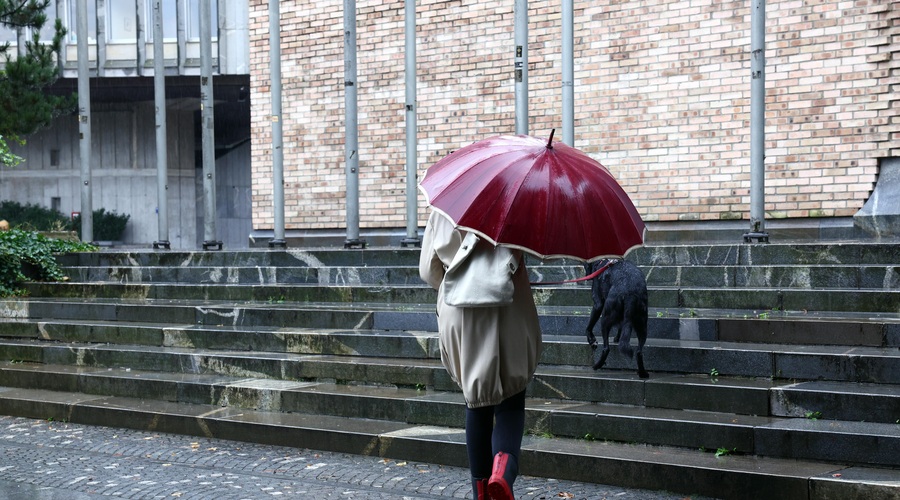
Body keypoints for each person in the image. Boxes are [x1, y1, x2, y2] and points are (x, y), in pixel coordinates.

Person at [419, 210, 543, 500]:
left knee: (476, 402)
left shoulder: (446, 206)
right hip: (509, 304)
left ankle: (480, 492)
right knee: (511, 400)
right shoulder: (517, 201)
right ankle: (502, 471)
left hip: (461, 310)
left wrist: (458, 282)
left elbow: (428, 269)